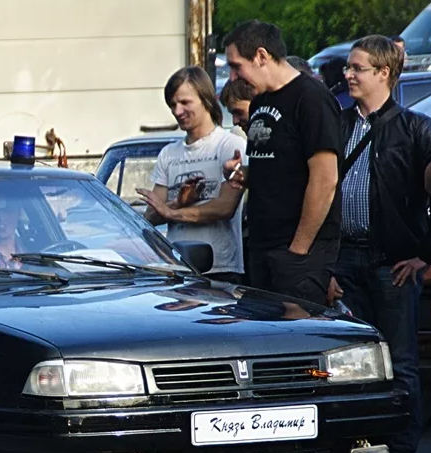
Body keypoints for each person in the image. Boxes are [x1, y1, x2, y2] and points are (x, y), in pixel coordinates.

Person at [328, 35, 430, 453]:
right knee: (354, 365)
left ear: (384, 73)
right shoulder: (338, 123)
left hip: (392, 263)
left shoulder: (415, 129)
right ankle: (364, 452)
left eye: (357, 68)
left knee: (401, 361)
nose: (347, 75)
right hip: (344, 258)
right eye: (348, 67)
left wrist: (425, 256)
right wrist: (324, 265)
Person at [222, 20, 343, 306]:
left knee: (297, 340)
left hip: (298, 250)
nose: (232, 77)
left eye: (237, 66)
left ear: (262, 56)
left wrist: (298, 251)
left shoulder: (311, 98)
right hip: (262, 245)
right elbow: (278, 164)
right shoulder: (262, 100)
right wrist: (245, 174)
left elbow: (325, 179)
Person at [136, 66, 248, 284]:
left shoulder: (230, 146)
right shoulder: (168, 154)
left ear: (205, 98)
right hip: (178, 269)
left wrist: (170, 211)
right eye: (172, 105)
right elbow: (151, 216)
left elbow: (225, 208)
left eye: (185, 103)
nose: (178, 112)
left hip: (221, 269)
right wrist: (177, 203)